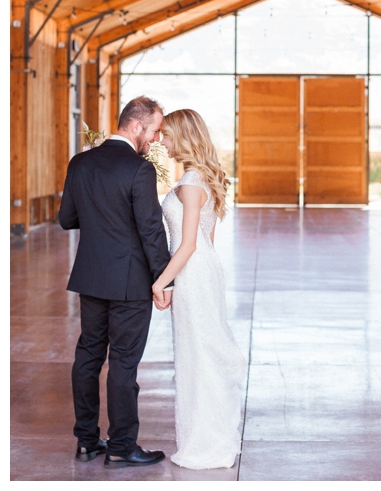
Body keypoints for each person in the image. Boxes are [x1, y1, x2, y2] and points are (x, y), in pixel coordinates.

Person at [59, 96, 171, 467]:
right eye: (154, 131)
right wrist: (164, 280)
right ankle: (122, 445)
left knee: (88, 356)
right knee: (124, 362)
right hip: (130, 282)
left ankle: (87, 442)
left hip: (90, 277)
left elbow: (66, 218)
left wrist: (99, 219)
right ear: (136, 126)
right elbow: (151, 230)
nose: (155, 140)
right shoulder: (139, 170)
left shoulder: (80, 162)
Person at [154, 109, 247, 469]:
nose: (161, 141)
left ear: (183, 136)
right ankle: (207, 432)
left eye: (166, 135)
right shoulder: (201, 178)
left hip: (192, 271)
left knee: (198, 354)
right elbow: (206, 239)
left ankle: (206, 441)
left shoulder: (192, 182)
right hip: (203, 270)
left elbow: (189, 243)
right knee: (199, 351)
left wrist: (162, 281)